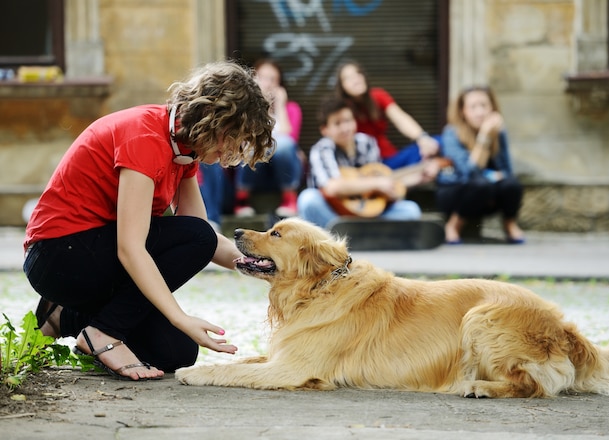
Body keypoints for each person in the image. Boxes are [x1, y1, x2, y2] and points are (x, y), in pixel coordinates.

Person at [23, 61, 275, 380]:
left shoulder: (183, 150)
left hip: (91, 257)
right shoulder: (145, 137)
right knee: (196, 242)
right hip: (59, 255)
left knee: (177, 352)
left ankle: (63, 317)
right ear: (217, 123)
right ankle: (102, 333)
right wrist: (180, 316)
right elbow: (132, 247)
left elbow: (198, 238)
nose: (236, 152)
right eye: (238, 138)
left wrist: (270, 266)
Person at [297, 96, 421, 229]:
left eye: (348, 121)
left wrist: (395, 188)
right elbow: (332, 187)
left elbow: (379, 185)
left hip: (368, 212)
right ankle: (355, 234)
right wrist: (376, 183)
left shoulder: (367, 143)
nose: (345, 128)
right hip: (333, 214)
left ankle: (355, 234)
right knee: (308, 199)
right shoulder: (321, 149)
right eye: (337, 123)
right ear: (325, 130)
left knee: (411, 210)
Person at [436, 85, 525, 244]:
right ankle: (454, 225)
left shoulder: (499, 132)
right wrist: (484, 137)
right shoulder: (451, 132)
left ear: (492, 107)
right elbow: (467, 173)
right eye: (473, 107)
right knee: (480, 184)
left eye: (484, 105)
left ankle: (509, 224)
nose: (480, 112)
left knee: (512, 184)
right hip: (456, 193)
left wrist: (493, 136)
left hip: (487, 193)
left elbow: (507, 171)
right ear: (463, 111)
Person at [335, 60, 442, 184]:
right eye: (348, 78)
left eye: (358, 73)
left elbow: (400, 118)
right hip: (366, 168)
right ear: (341, 86)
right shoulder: (341, 110)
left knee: (439, 142)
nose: (356, 79)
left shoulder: (378, 96)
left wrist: (422, 138)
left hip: (390, 160)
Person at [234, 59, 304, 217]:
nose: (267, 83)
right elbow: (244, 138)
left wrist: (279, 105)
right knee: (252, 144)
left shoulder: (291, 109)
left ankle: (289, 198)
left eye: (273, 79)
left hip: (281, 173)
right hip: (254, 172)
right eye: (263, 77)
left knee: (284, 144)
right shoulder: (243, 108)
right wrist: (258, 104)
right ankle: (242, 198)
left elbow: (290, 140)